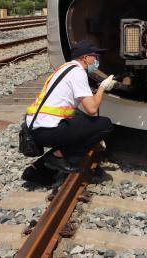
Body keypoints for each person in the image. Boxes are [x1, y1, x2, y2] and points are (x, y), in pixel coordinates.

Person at [23, 40, 116, 175]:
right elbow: (92, 109)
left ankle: (38, 171)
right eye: (94, 56)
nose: (96, 59)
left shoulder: (66, 68)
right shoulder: (78, 73)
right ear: (85, 58)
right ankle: (57, 156)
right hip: (46, 132)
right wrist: (102, 88)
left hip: (34, 128)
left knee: (81, 119)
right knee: (105, 125)